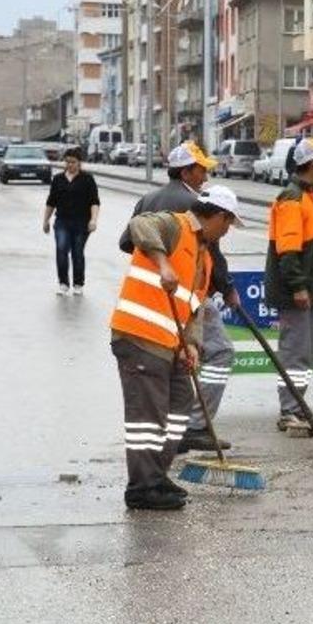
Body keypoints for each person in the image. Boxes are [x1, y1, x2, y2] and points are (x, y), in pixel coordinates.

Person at [110, 185, 244, 510]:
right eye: (228, 224)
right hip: (139, 336)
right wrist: (162, 263)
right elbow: (138, 226)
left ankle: (157, 475)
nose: (227, 231)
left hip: (171, 344)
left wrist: (192, 345)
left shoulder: (205, 255)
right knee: (148, 416)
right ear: (217, 216)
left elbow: (193, 307)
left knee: (180, 402)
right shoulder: (174, 224)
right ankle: (142, 487)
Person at [119, 141, 239, 454]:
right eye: (202, 170)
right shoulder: (194, 204)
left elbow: (126, 243)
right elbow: (210, 254)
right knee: (220, 351)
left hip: (159, 301)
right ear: (186, 170)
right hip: (181, 297)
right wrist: (224, 287)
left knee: (173, 375)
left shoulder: (149, 197)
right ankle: (196, 427)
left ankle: (171, 443)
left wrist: (153, 263)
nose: (205, 176)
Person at [265, 138, 313, 430]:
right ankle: (290, 410)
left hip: (306, 287)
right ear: (311, 164)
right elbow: (288, 250)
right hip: (295, 291)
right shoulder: (293, 198)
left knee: (306, 351)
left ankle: (298, 406)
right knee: (295, 351)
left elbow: (304, 240)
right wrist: (298, 287)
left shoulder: (310, 195)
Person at [43, 147, 100, 296]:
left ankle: (78, 283)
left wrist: (93, 220)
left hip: (82, 223)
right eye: (67, 162)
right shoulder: (58, 179)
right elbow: (51, 202)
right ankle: (63, 283)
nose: (70, 165)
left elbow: (94, 202)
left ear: (79, 163)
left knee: (77, 252)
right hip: (62, 221)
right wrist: (46, 220)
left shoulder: (87, 179)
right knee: (61, 249)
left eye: (73, 162)